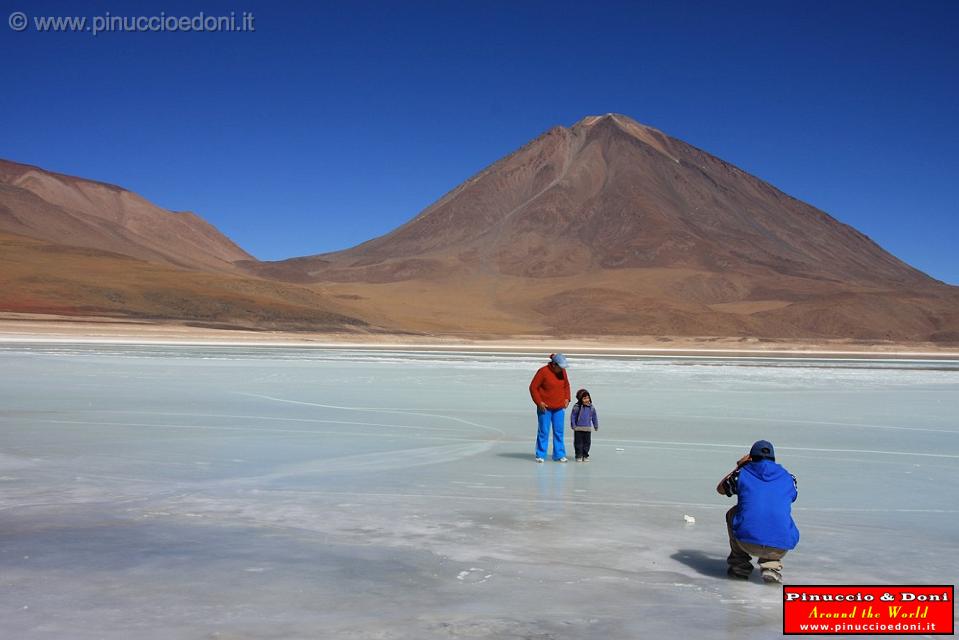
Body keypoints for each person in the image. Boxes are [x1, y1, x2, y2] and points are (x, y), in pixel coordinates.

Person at [716, 440, 799, 583]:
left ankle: (739, 566)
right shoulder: (790, 478)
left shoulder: (742, 473)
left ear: (751, 457)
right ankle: (771, 565)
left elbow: (721, 489)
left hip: (746, 542)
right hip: (779, 546)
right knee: (777, 515)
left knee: (732, 514)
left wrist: (740, 466)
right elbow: (792, 497)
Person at [528, 353, 571, 463]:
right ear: (554, 365)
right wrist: (539, 402)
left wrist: (567, 398)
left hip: (559, 408)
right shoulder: (543, 372)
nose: (562, 369)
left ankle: (559, 454)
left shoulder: (562, 372)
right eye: (560, 367)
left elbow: (566, 385)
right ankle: (541, 454)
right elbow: (533, 387)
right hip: (545, 408)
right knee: (544, 431)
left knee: (559, 432)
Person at [570, 388, 599, 462]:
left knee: (587, 443)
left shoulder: (591, 407)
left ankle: (585, 455)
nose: (587, 400)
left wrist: (595, 425)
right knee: (578, 443)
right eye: (584, 398)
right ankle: (579, 455)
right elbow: (573, 416)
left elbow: (594, 417)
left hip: (587, 429)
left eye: (588, 398)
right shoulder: (577, 407)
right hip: (578, 429)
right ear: (580, 399)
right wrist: (573, 425)